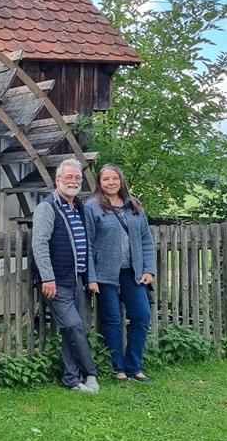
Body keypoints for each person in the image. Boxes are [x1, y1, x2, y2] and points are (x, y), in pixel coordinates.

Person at [31, 158, 99, 393]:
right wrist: (47, 277)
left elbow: (86, 244)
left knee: (73, 328)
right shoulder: (47, 207)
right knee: (73, 326)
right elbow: (39, 244)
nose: (73, 181)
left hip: (77, 279)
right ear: (58, 180)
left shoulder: (80, 207)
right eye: (68, 177)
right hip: (57, 282)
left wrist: (90, 277)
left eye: (77, 178)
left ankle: (72, 378)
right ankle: (90, 373)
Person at [85, 164, 157, 382]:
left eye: (114, 178)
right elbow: (87, 244)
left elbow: (146, 239)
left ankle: (135, 366)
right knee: (113, 319)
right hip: (104, 274)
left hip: (133, 273)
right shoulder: (92, 207)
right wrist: (91, 276)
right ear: (99, 182)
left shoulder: (133, 206)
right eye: (106, 179)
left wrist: (149, 269)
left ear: (121, 180)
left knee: (142, 316)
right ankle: (119, 369)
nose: (110, 183)